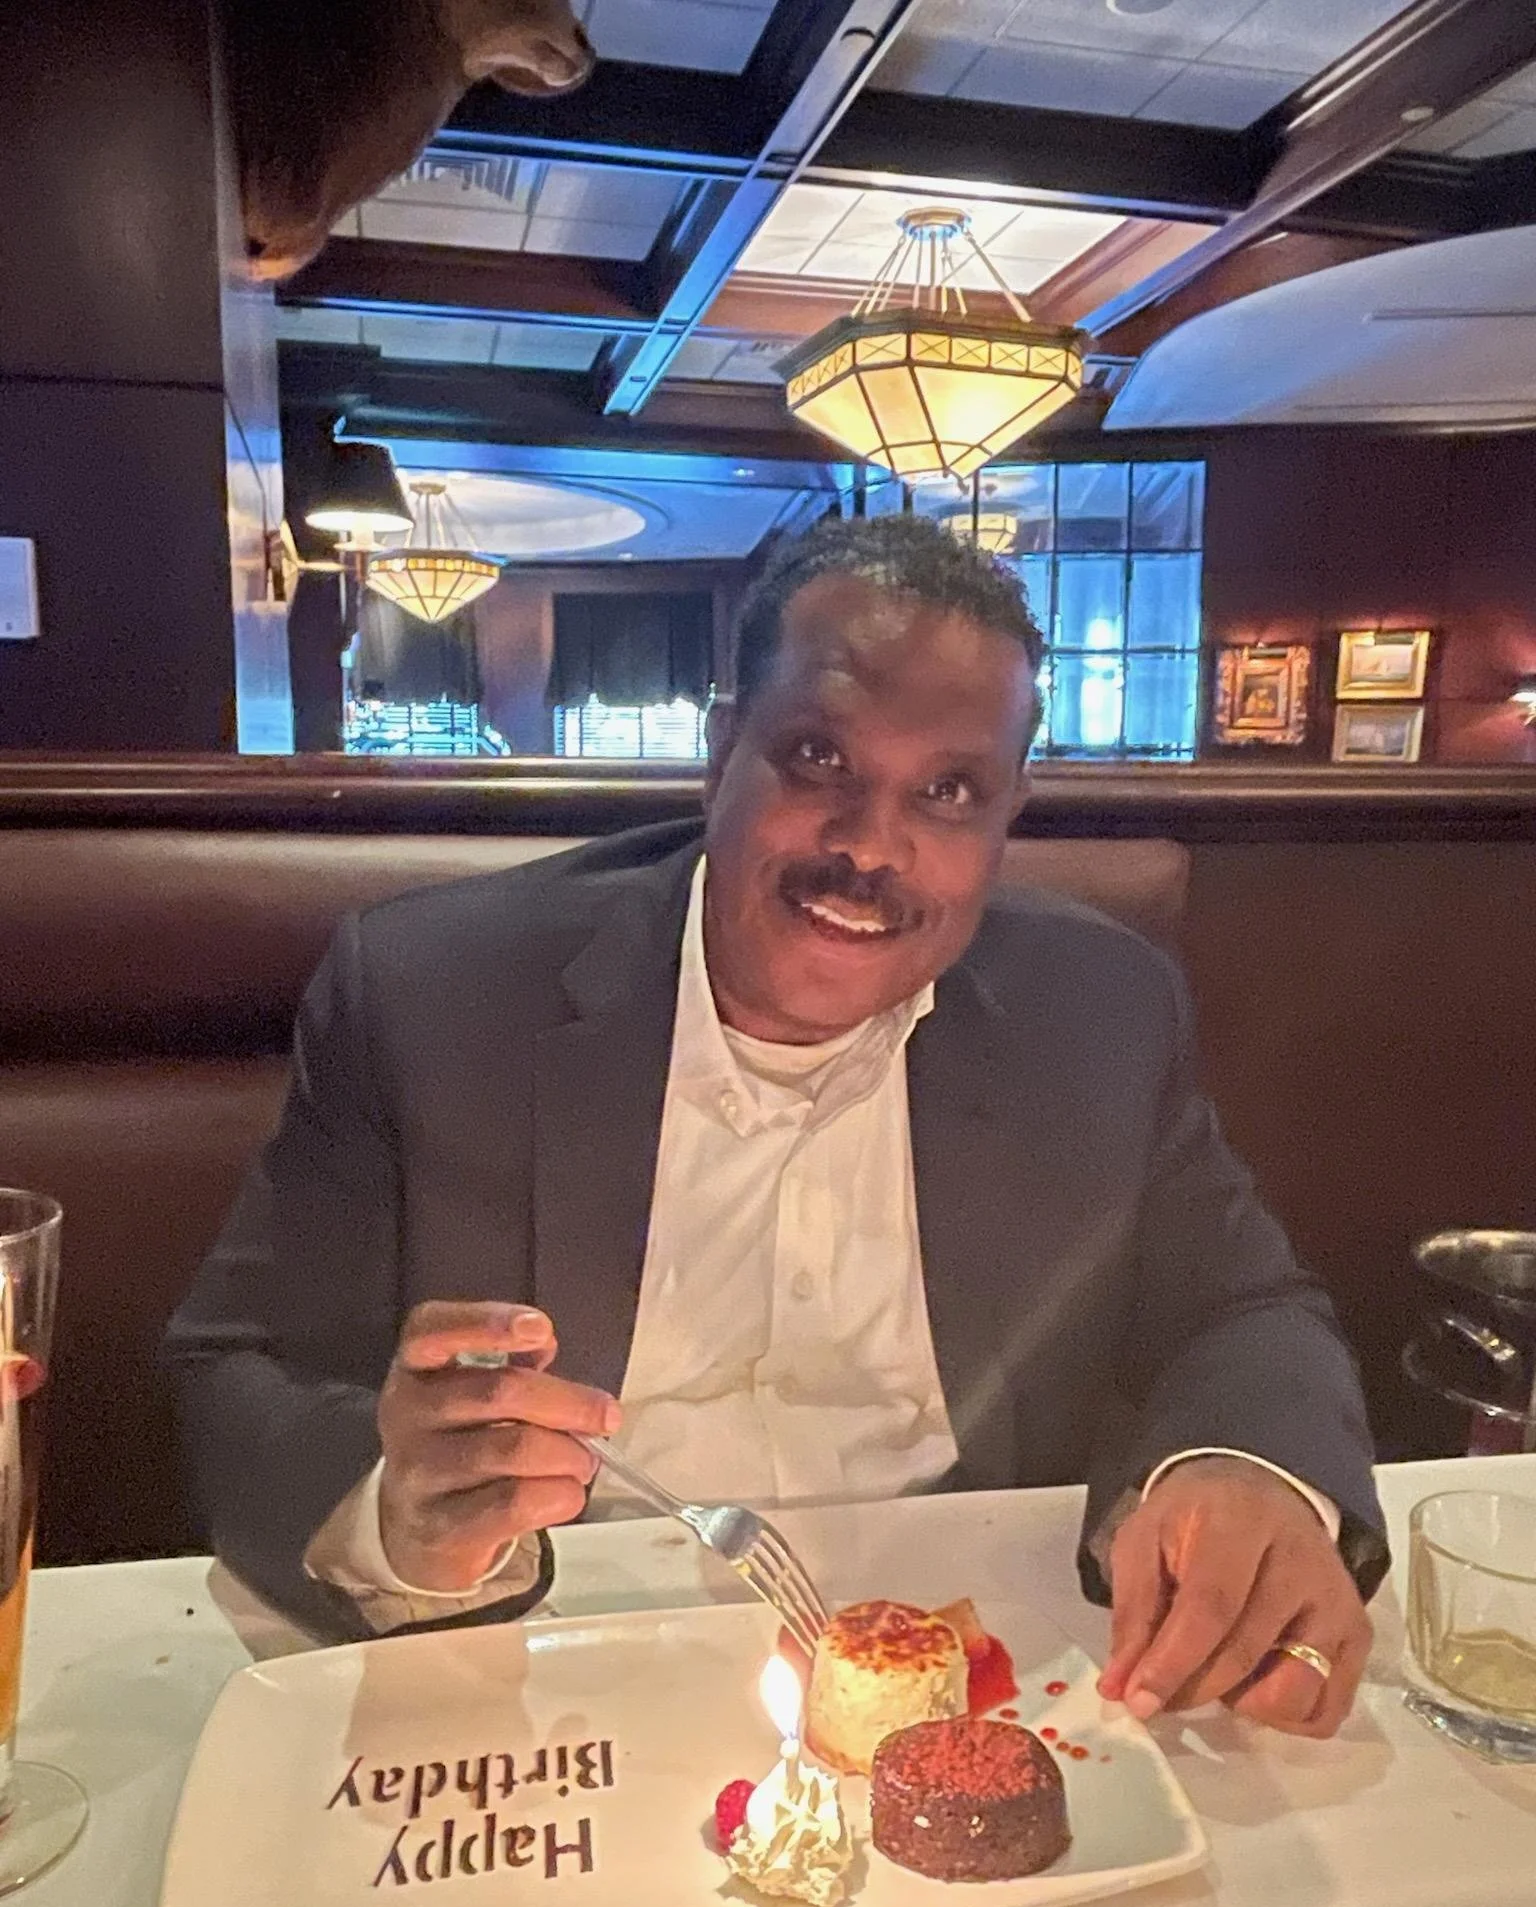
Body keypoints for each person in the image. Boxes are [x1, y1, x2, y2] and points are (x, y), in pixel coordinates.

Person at [164, 516, 1385, 1738]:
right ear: (719, 753)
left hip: (987, 1679)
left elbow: (1241, 1309)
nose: (869, 846)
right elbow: (233, 1367)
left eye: (948, 791)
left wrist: (1241, 1464)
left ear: (1010, 812)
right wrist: (397, 1510)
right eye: (818, 757)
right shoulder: (434, 1000)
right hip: (543, 1682)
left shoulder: (1098, 1013)